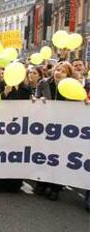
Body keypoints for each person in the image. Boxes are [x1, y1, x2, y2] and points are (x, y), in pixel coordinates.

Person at [34, 61, 74, 201]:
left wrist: (85, 104)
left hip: (64, 129)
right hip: (45, 127)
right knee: (44, 155)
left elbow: (78, 104)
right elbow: (35, 99)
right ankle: (41, 183)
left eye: (63, 71)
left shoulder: (73, 87)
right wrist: (38, 100)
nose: (59, 73)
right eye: (58, 69)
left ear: (68, 75)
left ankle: (55, 187)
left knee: (59, 157)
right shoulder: (43, 83)